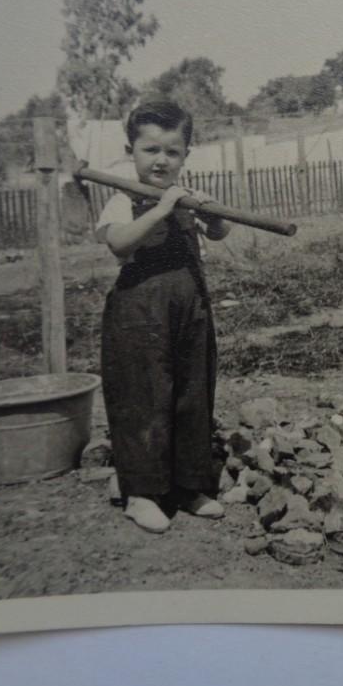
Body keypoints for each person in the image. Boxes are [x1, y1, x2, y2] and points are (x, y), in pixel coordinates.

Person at [94, 100, 231, 533]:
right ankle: (142, 493)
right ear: (130, 150)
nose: (161, 160)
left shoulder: (185, 196)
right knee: (144, 399)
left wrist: (209, 211)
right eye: (151, 150)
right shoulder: (122, 199)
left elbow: (221, 231)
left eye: (172, 152)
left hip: (190, 309)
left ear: (186, 155)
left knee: (193, 394)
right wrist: (161, 210)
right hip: (138, 315)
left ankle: (190, 487)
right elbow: (118, 244)